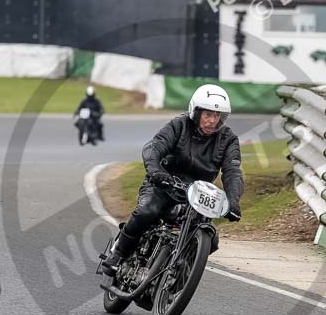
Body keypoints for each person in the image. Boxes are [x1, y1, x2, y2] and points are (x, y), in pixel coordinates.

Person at [103, 83, 244, 275]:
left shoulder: (229, 139)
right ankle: (119, 252)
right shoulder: (179, 125)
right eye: (208, 114)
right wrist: (156, 172)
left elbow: (233, 171)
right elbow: (154, 148)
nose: (212, 120)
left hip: (197, 194)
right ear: (197, 112)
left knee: (211, 240)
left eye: (217, 115)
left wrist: (233, 201)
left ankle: (180, 274)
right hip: (165, 184)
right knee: (147, 211)